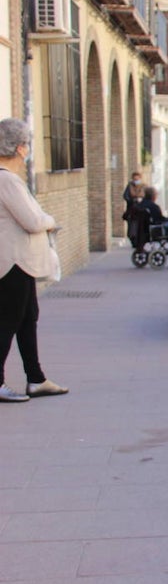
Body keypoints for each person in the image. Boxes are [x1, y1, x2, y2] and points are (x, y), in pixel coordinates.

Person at [0, 118, 67, 402]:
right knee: (7, 322)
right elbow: (32, 220)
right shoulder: (7, 180)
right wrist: (50, 221)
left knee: (27, 319)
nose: (28, 149)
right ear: (20, 148)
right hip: (12, 262)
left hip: (20, 262)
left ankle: (36, 378)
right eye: (27, 143)